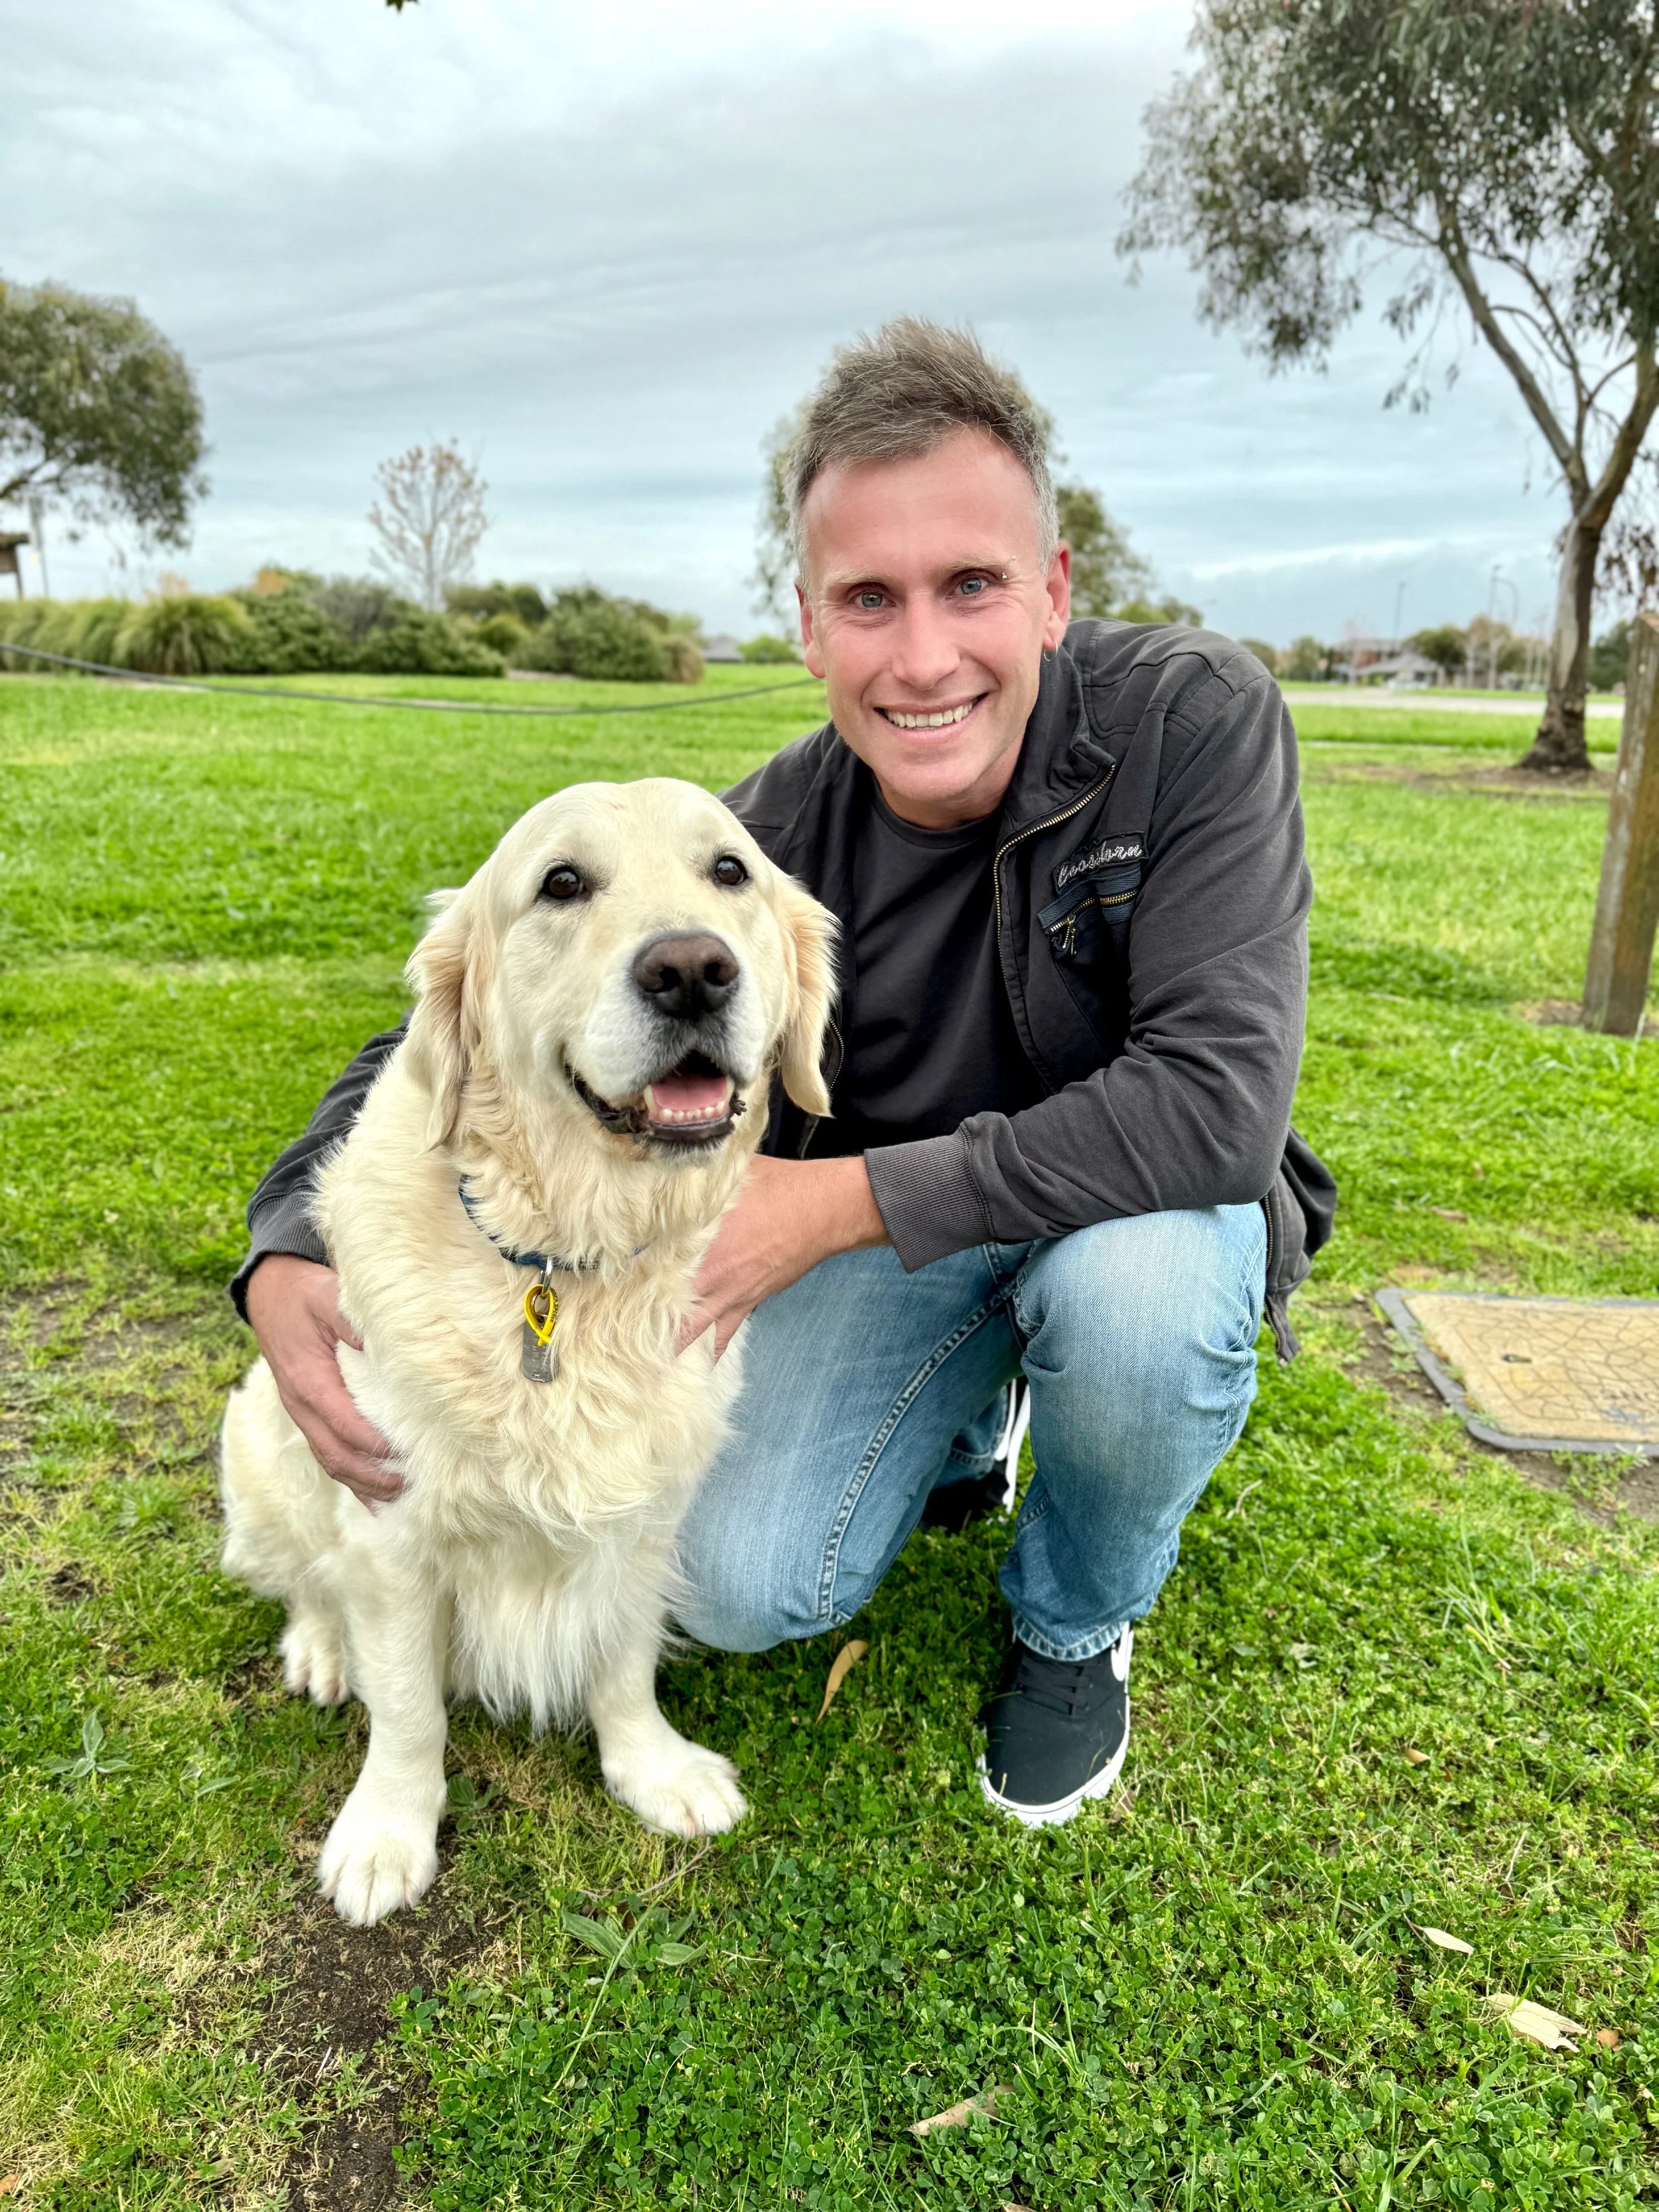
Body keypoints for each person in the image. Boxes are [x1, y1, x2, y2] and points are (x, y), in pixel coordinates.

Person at [235, 319, 1333, 1829]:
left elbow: (1215, 1108)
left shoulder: (1192, 721)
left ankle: (1070, 1622)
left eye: (971, 585)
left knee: (1136, 1302)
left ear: (1054, 592)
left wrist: (824, 1208)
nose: (923, 653)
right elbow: (462, 1003)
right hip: (900, 1247)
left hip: (1115, 1212)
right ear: (809, 627)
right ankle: (969, 1410)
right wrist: (286, 1236)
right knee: (747, 1589)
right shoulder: (755, 841)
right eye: (866, 599)